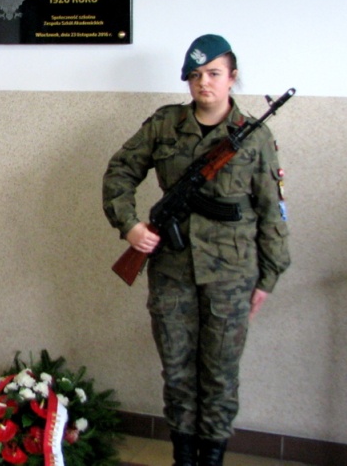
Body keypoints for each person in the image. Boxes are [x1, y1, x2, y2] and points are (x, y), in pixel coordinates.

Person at [101, 35, 290, 466]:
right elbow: (119, 172)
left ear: (232, 77)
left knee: (220, 374)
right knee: (178, 371)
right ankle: (184, 457)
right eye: (196, 75)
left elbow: (271, 211)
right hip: (172, 268)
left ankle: (212, 458)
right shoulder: (165, 125)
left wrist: (270, 276)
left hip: (233, 273)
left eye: (214, 74)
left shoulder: (254, 137)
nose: (204, 83)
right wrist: (130, 226)